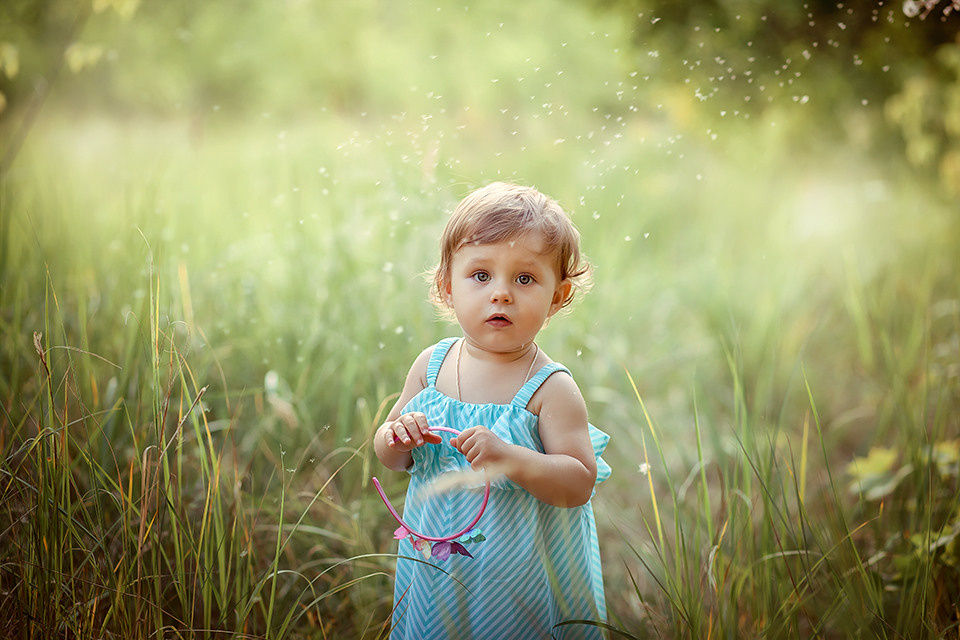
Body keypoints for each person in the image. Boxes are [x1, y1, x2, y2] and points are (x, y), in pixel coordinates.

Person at [374, 181, 611, 639]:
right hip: (438, 569)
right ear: (447, 286)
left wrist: (511, 458)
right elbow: (389, 453)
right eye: (481, 275)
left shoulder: (550, 388)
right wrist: (398, 435)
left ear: (557, 296)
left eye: (525, 279)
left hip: (518, 577)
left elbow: (579, 482)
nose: (500, 293)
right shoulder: (432, 366)